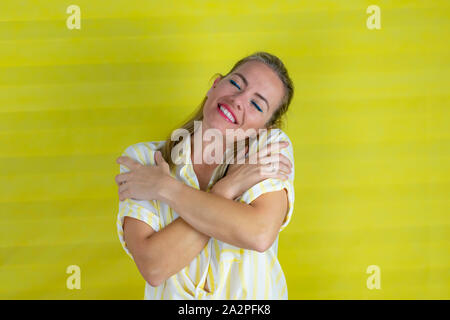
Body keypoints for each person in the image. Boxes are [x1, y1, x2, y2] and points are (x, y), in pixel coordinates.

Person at [115, 51, 295, 299]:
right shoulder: (143, 159)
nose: (239, 99)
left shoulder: (269, 148)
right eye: (235, 83)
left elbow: (259, 233)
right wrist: (226, 190)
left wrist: (165, 188)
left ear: (264, 128)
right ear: (214, 85)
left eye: (256, 104)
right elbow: (154, 267)